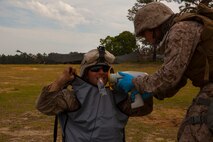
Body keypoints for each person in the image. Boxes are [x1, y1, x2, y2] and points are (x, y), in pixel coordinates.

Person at [117, 2, 213, 142]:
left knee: (193, 131)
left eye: (144, 34)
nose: (146, 40)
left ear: (153, 26)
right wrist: (150, 92)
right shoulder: (186, 27)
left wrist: (135, 82)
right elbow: (177, 80)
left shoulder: (180, 30)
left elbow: (168, 77)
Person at [36, 46, 153, 142]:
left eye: (104, 69)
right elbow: (43, 106)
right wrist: (61, 81)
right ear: (86, 73)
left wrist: (141, 91)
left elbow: (143, 110)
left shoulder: (118, 97)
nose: (101, 72)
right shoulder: (73, 98)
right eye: (96, 69)